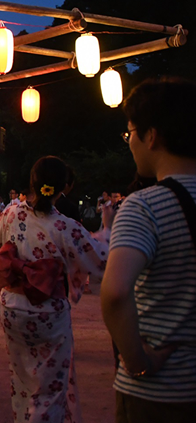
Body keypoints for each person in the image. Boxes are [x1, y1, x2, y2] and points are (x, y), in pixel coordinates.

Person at [101, 78, 196, 422]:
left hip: (162, 392)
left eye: (130, 134)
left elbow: (115, 291)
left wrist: (139, 361)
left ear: (151, 136)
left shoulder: (145, 206)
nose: (130, 143)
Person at [0, 156, 109, 423]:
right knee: (50, 388)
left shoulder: (11, 213)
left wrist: (15, 263)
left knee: (21, 379)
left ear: (33, 183)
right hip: (47, 311)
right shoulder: (65, 227)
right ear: (63, 186)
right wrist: (111, 229)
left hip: (11, 306)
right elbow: (100, 258)